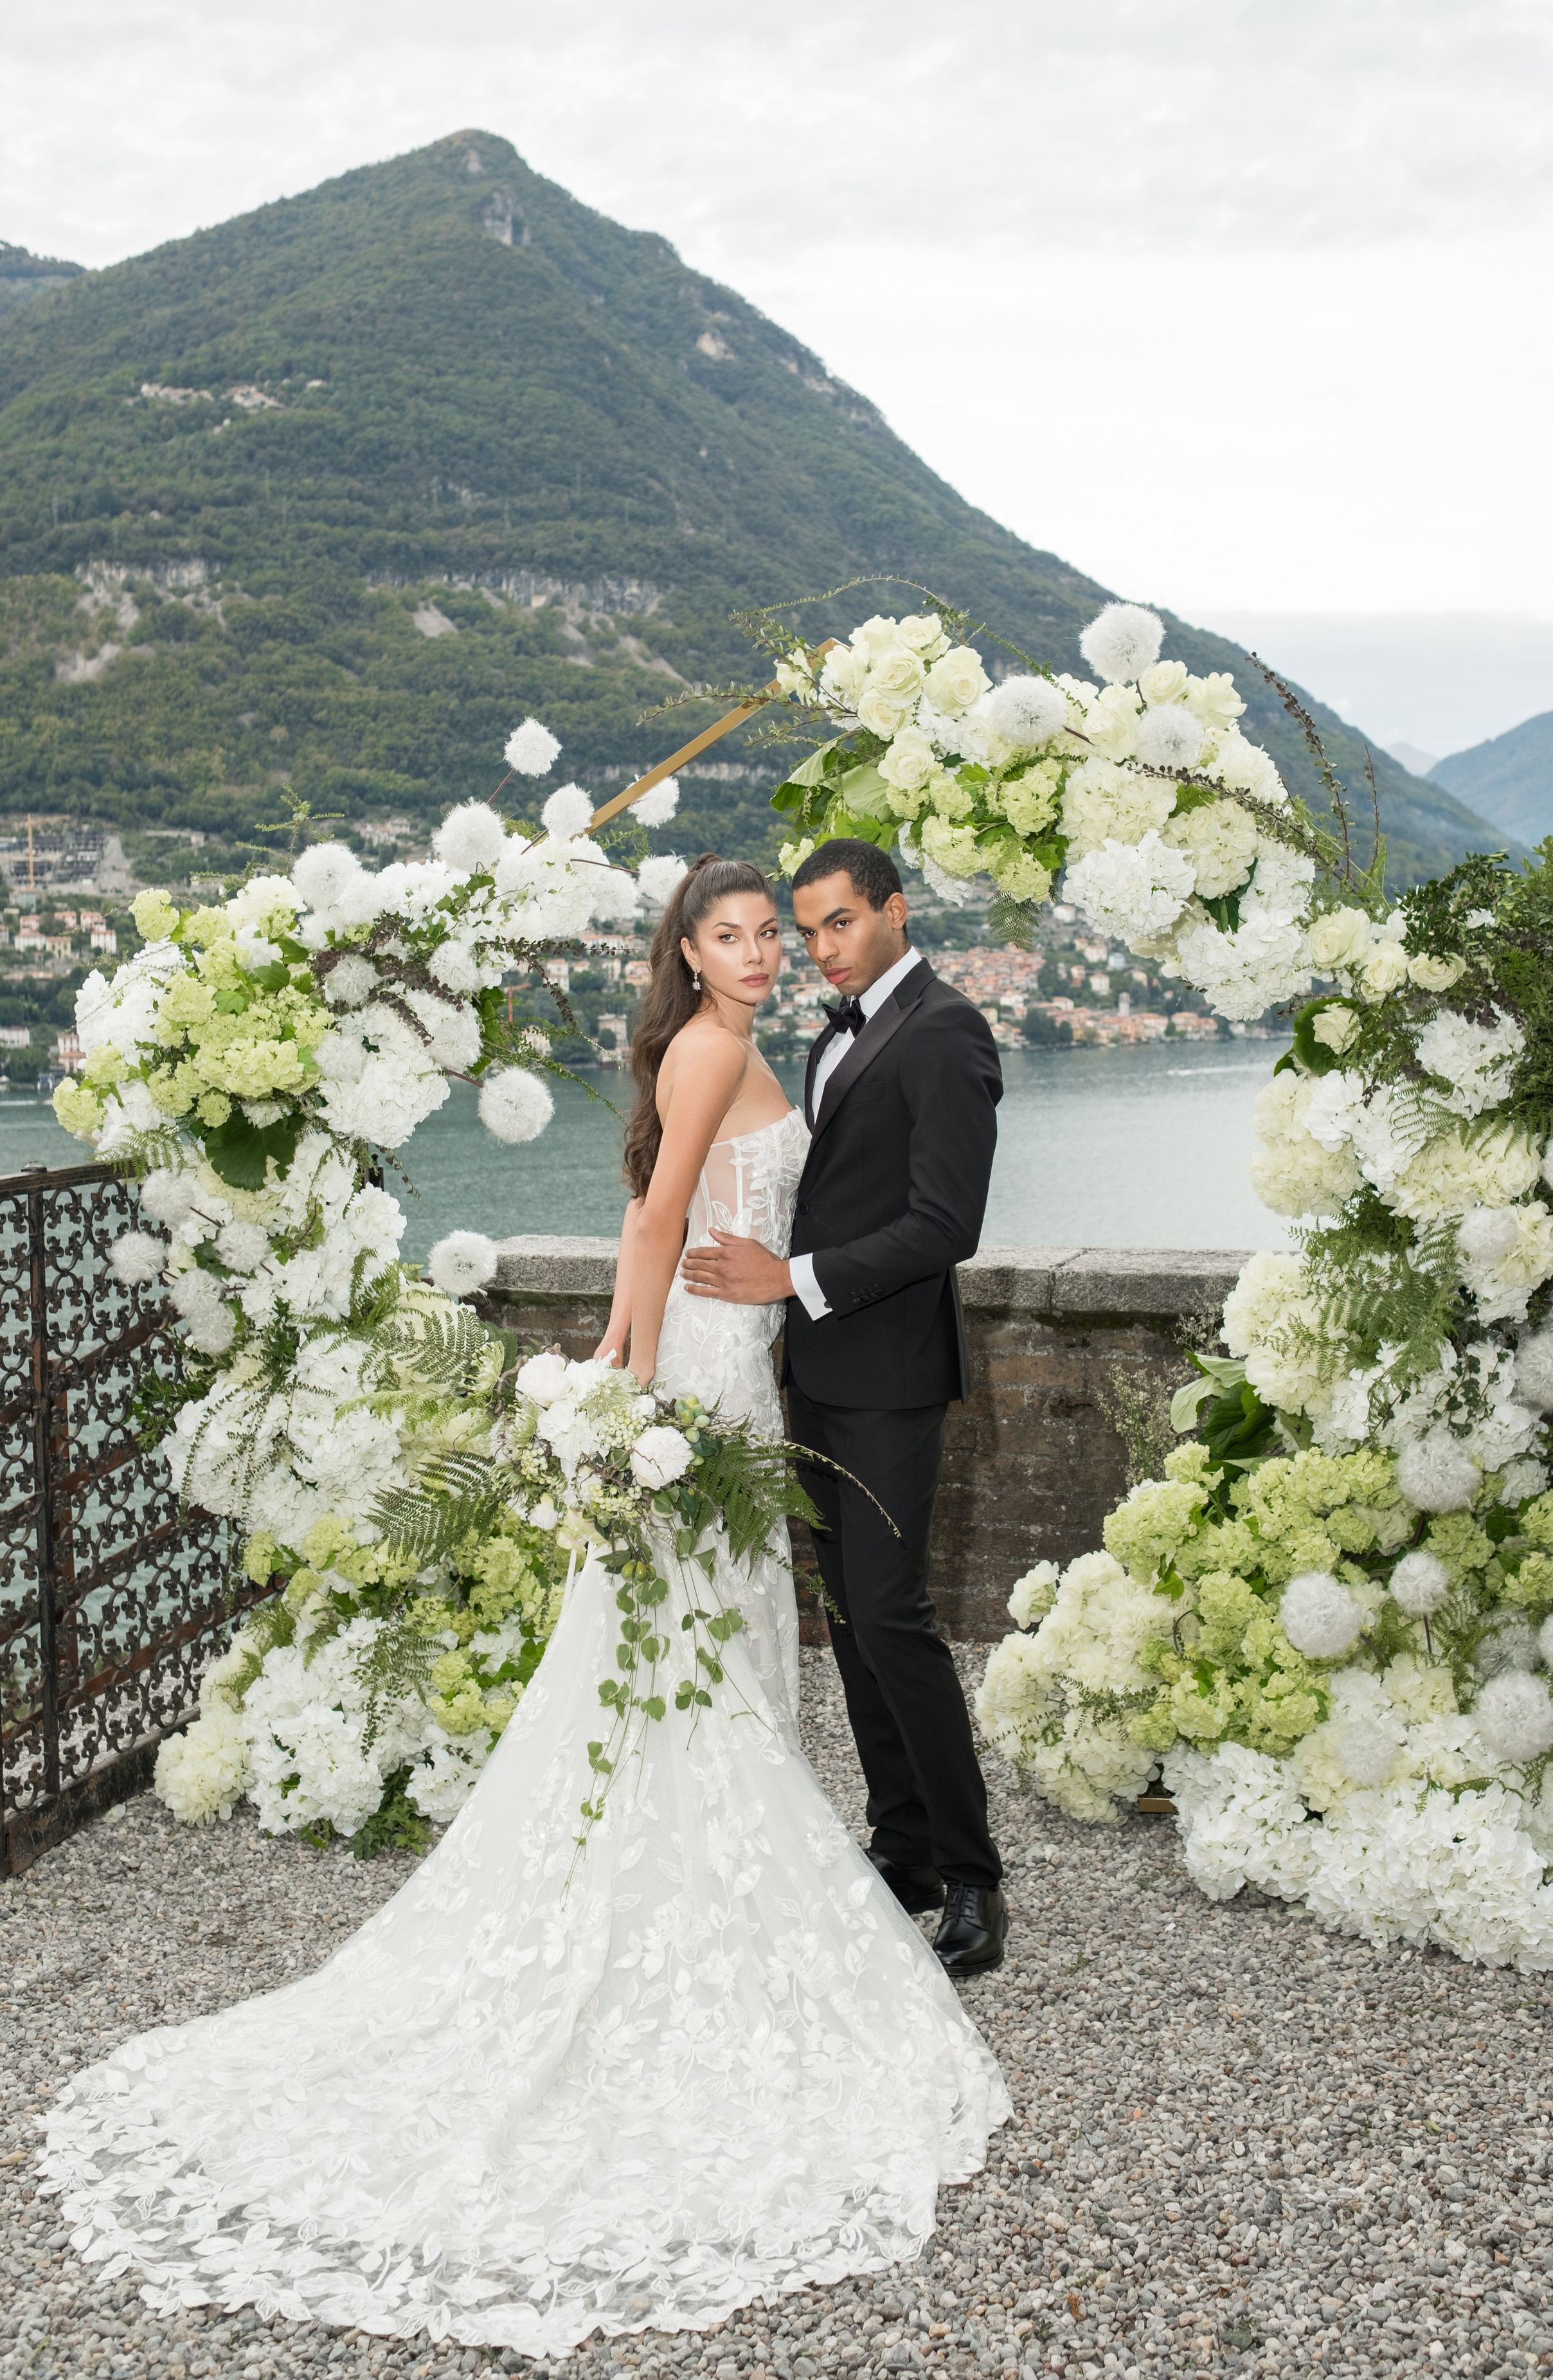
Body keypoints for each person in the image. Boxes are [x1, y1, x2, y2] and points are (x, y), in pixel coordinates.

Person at [40, 853, 1008, 2361]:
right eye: (744, 934)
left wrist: (634, 1375)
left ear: (857, 927)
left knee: (734, 1636)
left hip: (751, 1366)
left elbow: (700, 1222)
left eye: (791, 931)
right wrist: (623, 1398)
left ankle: (905, 1865)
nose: (771, 953)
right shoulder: (720, 1046)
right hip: (716, 1378)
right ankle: (807, 1872)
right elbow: (652, 1222)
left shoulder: (818, 1035)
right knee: (716, 1637)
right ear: (686, 952)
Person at [680, 838, 1008, 1979]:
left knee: (896, 1615)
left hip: (890, 1378)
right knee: (857, 1626)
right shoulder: (832, 1034)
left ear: (895, 913)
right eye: (803, 930)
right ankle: (904, 1847)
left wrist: (792, 1281)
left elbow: (944, 1226)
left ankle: (975, 1880)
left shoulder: (948, 1032)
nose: (817, 949)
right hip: (813, 1377)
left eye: (836, 925)